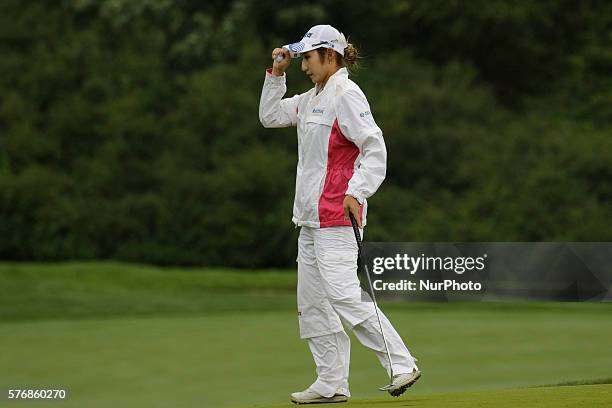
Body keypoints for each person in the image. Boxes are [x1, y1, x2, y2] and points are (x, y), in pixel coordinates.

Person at [259, 24, 420, 405]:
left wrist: (358, 191)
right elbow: (269, 116)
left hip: (337, 214)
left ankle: (401, 364)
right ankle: (331, 382)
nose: (304, 66)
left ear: (329, 56)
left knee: (345, 295)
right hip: (310, 218)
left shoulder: (346, 94)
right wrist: (275, 75)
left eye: (308, 58)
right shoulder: (312, 96)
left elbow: (373, 146)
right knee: (313, 303)